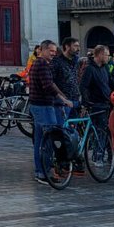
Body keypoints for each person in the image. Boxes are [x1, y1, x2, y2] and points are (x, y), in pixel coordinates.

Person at [27, 40, 74, 185]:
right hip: (43, 106)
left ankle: (41, 171)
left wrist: (62, 96)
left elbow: (51, 83)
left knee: (41, 139)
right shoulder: (41, 64)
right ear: (43, 50)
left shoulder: (41, 64)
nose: (54, 53)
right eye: (51, 51)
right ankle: (43, 172)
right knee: (48, 140)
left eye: (55, 51)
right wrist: (62, 99)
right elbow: (48, 86)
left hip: (39, 105)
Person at [52, 37, 82, 111]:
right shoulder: (57, 62)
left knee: (74, 122)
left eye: (78, 46)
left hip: (75, 99)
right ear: (67, 46)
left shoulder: (76, 61)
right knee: (63, 122)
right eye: (75, 46)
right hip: (62, 102)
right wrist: (62, 96)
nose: (78, 49)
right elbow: (51, 82)